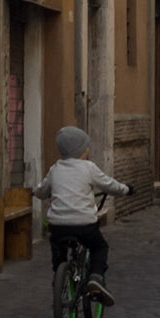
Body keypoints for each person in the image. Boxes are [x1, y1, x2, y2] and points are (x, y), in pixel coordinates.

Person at [31, 125, 131, 305]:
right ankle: (96, 277)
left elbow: (42, 190)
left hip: (58, 225)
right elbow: (110, 185)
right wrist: (126, 190)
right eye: (86, 146)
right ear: (80, 150)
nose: (88, 149)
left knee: (57, 243)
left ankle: (59, 275)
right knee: (100, 247)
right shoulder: (89, 168)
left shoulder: (55, 169)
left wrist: (36, 193)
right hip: (85, 224)